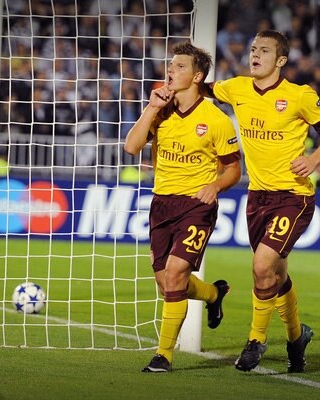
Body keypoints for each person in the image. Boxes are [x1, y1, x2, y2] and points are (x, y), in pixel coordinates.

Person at [205, 30, 320, 373]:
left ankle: (256, 340)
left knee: (262, 266)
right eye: (253, 49)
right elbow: (201, 87)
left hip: (293, 197)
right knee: (276, 274)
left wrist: (314, 161)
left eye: (264, 50)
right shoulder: (236, 88)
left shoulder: (299, 96)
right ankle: (297, 337)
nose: (255, 54)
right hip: (257, 198)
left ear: (280, 60)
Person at [124, 42, 242, 373]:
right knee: (166, 283)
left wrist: (215, 186)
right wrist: (150, 108)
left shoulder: (216, 119)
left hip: (196, 205)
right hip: (161, 204)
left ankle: (164, 355)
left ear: (197, 76)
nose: (170, 71)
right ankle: (213, 295)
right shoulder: (161, 110)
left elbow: (234, 169)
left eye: (179, 67)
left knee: (176, 273)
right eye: (170, 66)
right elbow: (131, 147)